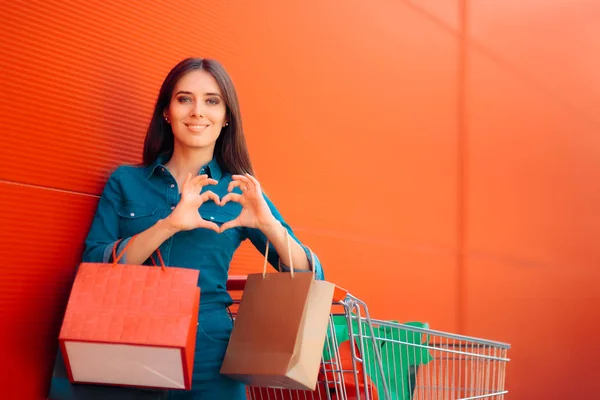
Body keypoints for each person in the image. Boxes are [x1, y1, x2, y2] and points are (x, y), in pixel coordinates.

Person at [47, 58, 324, 400]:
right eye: (184, 99)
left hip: (210, 356)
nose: (197, 111)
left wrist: (267, 224)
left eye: (211, 101)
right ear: (166, 111)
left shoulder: (240, 191)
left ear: (226, 118)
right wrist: (170, 224)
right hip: (126, 346)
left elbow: (309, 273)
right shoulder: (125, 182)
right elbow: (93, 266)